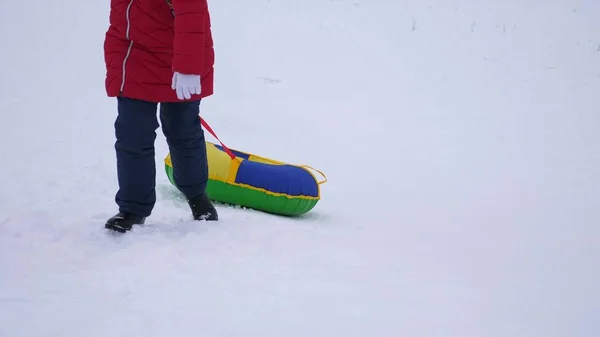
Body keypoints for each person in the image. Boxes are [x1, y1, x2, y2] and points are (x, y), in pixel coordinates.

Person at [103, 0, 218, 233]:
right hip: (134, 57)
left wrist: (188, 66)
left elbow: (192, 12)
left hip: (179, 54)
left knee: (183, 130)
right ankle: (133, 208)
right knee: (132, 134)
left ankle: (197, 195)